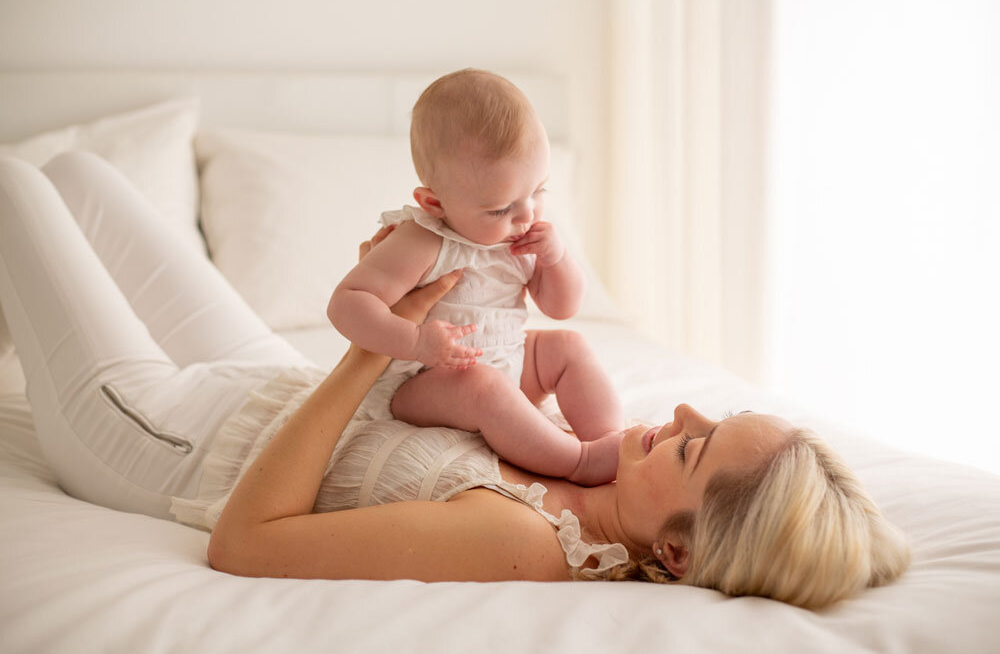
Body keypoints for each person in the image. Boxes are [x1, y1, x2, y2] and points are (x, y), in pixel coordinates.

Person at [0, 151, 910, 608]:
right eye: (709, 412)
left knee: (13, 181)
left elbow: (245, 542)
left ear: (676, 554)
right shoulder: (592, 466)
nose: (677, 408)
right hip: (273, 383)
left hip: (170, 439)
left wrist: (378, 340)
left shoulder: (525, 544)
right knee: (80, 172)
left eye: (695, 442)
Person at [328, 69, 624, 486]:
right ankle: (578, 462)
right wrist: (415, 342)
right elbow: (347, 302)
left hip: (509, 361)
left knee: (568, 347)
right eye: (500, 209)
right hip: (424, 384)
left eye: (538, 191)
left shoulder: (522, 236)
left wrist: (556, 260)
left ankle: (612, 440)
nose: (525, 216)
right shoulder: (422, 242)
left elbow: (562, 308)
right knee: (482, 386)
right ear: (435, 203)